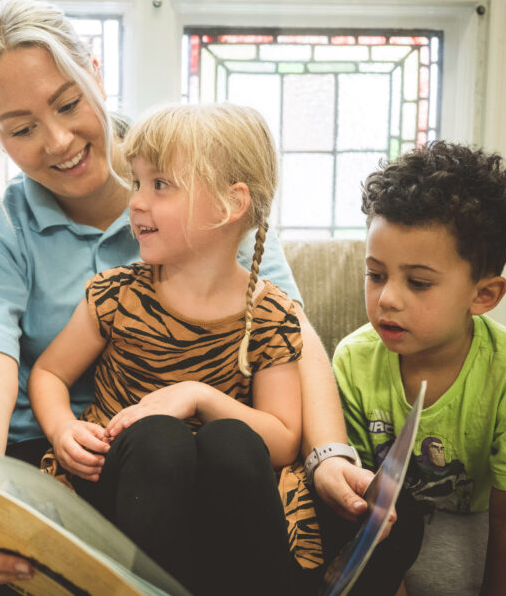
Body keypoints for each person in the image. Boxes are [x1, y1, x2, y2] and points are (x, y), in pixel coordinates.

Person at [0, 0, 373, 593]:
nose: (57, 141)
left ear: (95, 73)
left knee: (376, 515)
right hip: (75, 457)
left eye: (69, 103)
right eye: (21, 129)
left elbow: (290, 336)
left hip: (214, 458)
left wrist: (328, 453)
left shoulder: (204, 190)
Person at [28, 102, 303, 594]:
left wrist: (197, 394)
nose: (135, 202)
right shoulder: (115, 295)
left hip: (216, 508)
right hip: (119, 488)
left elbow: (283, 440)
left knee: (232, 440)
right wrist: (63, 428)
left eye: (160, 185)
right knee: (160, 438)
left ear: (229, 204)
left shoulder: (270, 314)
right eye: (136, 182)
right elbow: (49, 374)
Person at [333, 142, 506, 596]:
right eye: (376, 274)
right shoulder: (352, 359)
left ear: (483, 295)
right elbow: (360, 516)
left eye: (418, 282)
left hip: (481, 550)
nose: (387, 298)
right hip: (384, 554)